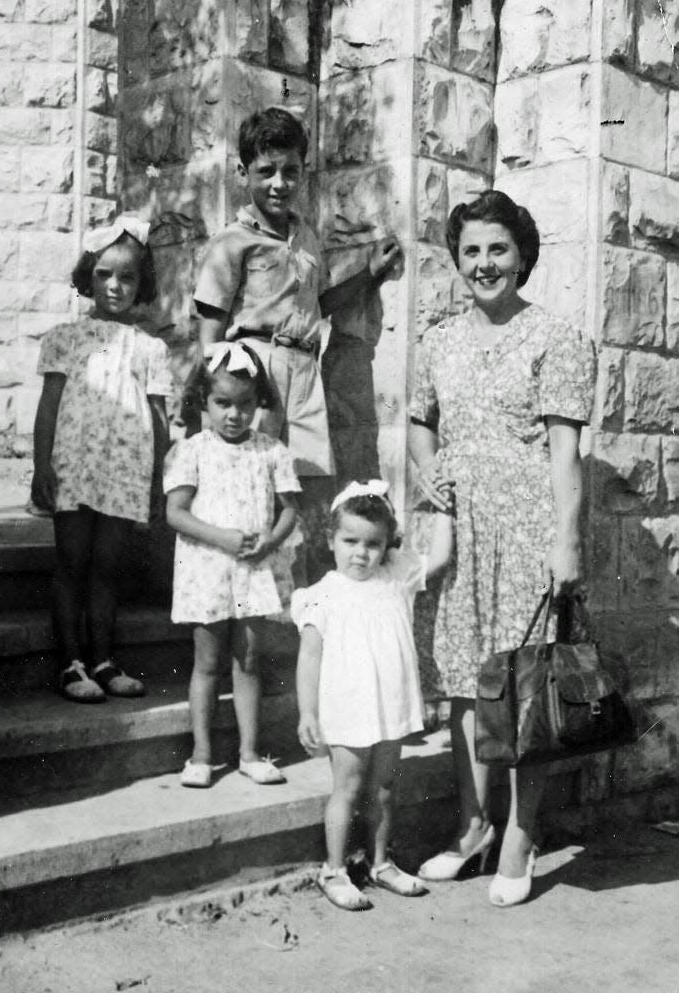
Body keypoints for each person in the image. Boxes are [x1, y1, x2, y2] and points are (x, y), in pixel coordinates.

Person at [408, 190, 596, 907]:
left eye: (497, 249)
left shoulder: (555, 336)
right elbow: (421, 423)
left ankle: (521, 835)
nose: (484, 264)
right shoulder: (440, 341)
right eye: (471, 252)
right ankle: (473, 828)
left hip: (527, 534)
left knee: (526, 688)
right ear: (458, 263)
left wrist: (567, 540)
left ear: (522, 256)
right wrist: (437, 484)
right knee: (464, 684)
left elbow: (565, 452)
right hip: (465, 538)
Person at [188, 106, 402, 493]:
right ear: (243, 173)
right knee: (249, 484)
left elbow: (319, 304)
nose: (279, 183)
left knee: (308, 486)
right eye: (266, 171)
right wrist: (215, 401)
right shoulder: (231, 242)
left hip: (305, 371)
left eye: (290, 171)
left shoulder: (307, 240)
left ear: (303, 171)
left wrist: (368, 273)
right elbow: (210, 337)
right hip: (252, 369)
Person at [31, 216, 172, 703]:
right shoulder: (66, 339)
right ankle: (71, 663)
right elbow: (49, 406)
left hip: (124, 470)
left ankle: (104, 659)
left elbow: (159, 418)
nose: (116, 286)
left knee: (109, 565)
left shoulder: (151, 347)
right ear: (88, 277)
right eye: (105, 275)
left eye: (128, 277)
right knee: (72, 560)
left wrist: (158, 482)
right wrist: (40, 466)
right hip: (74, 465)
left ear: (143, 283)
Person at [292, 480, 452, 911]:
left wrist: (445, 510)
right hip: (346, 706)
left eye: (373, 544)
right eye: (350, 541)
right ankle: (335, 869)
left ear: (387, 546)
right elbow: (309, 658)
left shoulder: (396, 575)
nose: (361, 553)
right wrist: (307, 712)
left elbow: (438, 557)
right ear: (330, 540)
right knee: (347, 788)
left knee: (383, 788)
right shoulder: (322, 593)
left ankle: (381, 863)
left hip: (390, 704)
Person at [164, 341, 301, 788]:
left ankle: (249, 751)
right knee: (206, 662)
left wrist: (270, 540)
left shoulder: (271, 450)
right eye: (222, 403)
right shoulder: (193, 450)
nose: (234, 415)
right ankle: (201, 755)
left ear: (258, 404)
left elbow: (289, 510)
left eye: (245, 404)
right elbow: (176, 512)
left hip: (253, 571)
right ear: (203, 401)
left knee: (249, 661)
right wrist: (221, 536)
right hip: (206, 569)